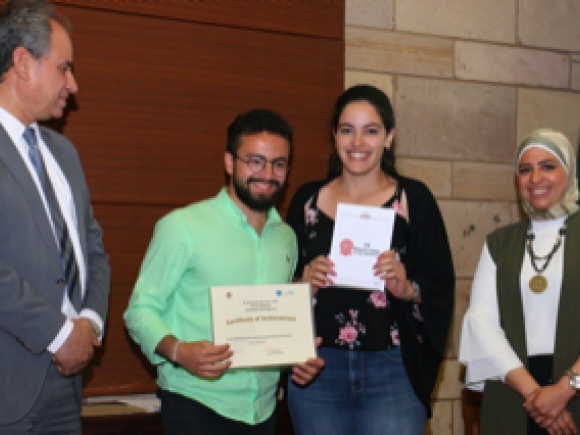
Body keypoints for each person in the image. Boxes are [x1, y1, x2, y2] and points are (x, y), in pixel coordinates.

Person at [124, 108, 325, 435]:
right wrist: (179, 350)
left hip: (263, 410)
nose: (268, 173)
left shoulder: (286, 237)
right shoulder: (183, 227)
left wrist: (298, 356)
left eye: (279, 164)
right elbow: (139, 310)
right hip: (196, 403)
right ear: (230, 163)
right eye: (255, 161)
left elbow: (274, 320)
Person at [285, 84, 455, 435]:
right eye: (347, 130)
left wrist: (407, 288)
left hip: (392, 370)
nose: (358, 142)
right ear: (334, 136)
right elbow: (275, 289)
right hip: (317, 370)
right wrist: (301, 285)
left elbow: (440, 286)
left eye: (371, 130)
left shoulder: (414, 200)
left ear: (389, 137)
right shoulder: (306, 201)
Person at [0, 1, 111, 433]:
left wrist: (89, 323)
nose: (73, 84)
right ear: (23, 63)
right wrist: (57, 333)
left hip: (66, 385)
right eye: (64, 68)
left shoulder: (65, 153)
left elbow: (94, 251)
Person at [459, 128, 580, 435]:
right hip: (514, 389)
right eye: (525, 170)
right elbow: (481, 322)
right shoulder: (499, 243)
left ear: (569, 170)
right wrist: (536, 395)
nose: (535, 178)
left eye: (547, 166)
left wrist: (564, 389)